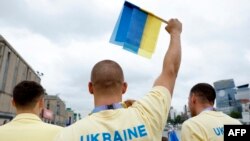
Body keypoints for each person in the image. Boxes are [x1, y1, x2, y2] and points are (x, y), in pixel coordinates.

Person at [54, 18, 182, 141]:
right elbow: (170, 72)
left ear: (90, 88)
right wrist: (175, 32)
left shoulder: (66, 135)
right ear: (124, 87)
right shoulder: (147, 114)